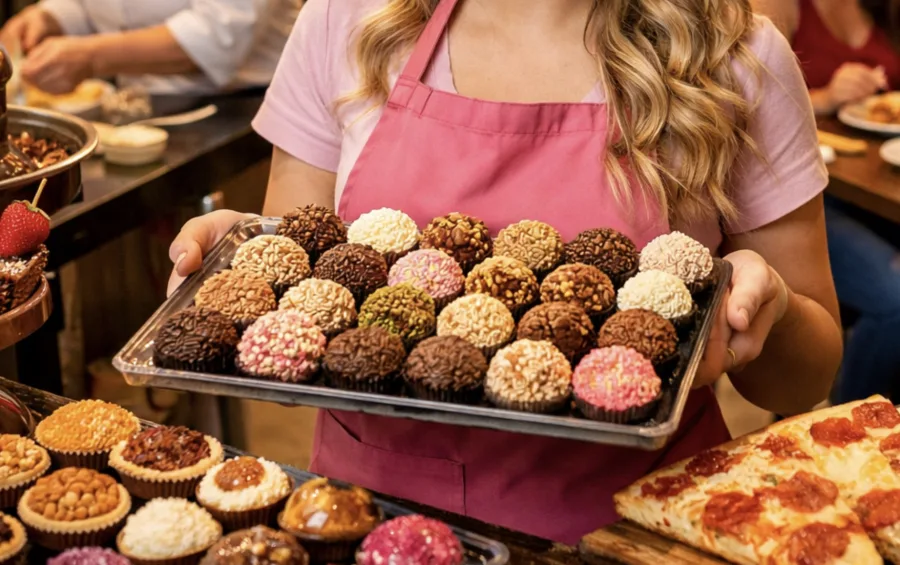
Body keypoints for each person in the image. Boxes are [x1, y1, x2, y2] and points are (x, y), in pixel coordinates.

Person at [168, 0, 842, 543]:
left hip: (629, 527)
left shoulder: (734, 56)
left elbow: (805, 378)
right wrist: (241, 269)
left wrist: (770, 305)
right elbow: (295, 309)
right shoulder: (347, 20)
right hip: (365, 516)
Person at [754, 0, 900, 403]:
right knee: (897, 297)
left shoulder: (882, 7)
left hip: (879, 186)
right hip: (817, 195)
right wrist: (824, 97)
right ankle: (849, 423)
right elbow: (749, 101)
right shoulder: (779, 9)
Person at [0, 0, 300, 94]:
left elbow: (219, 32)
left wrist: (92, 57)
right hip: (137, 104)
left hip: (243, 113)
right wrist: (50, 17)